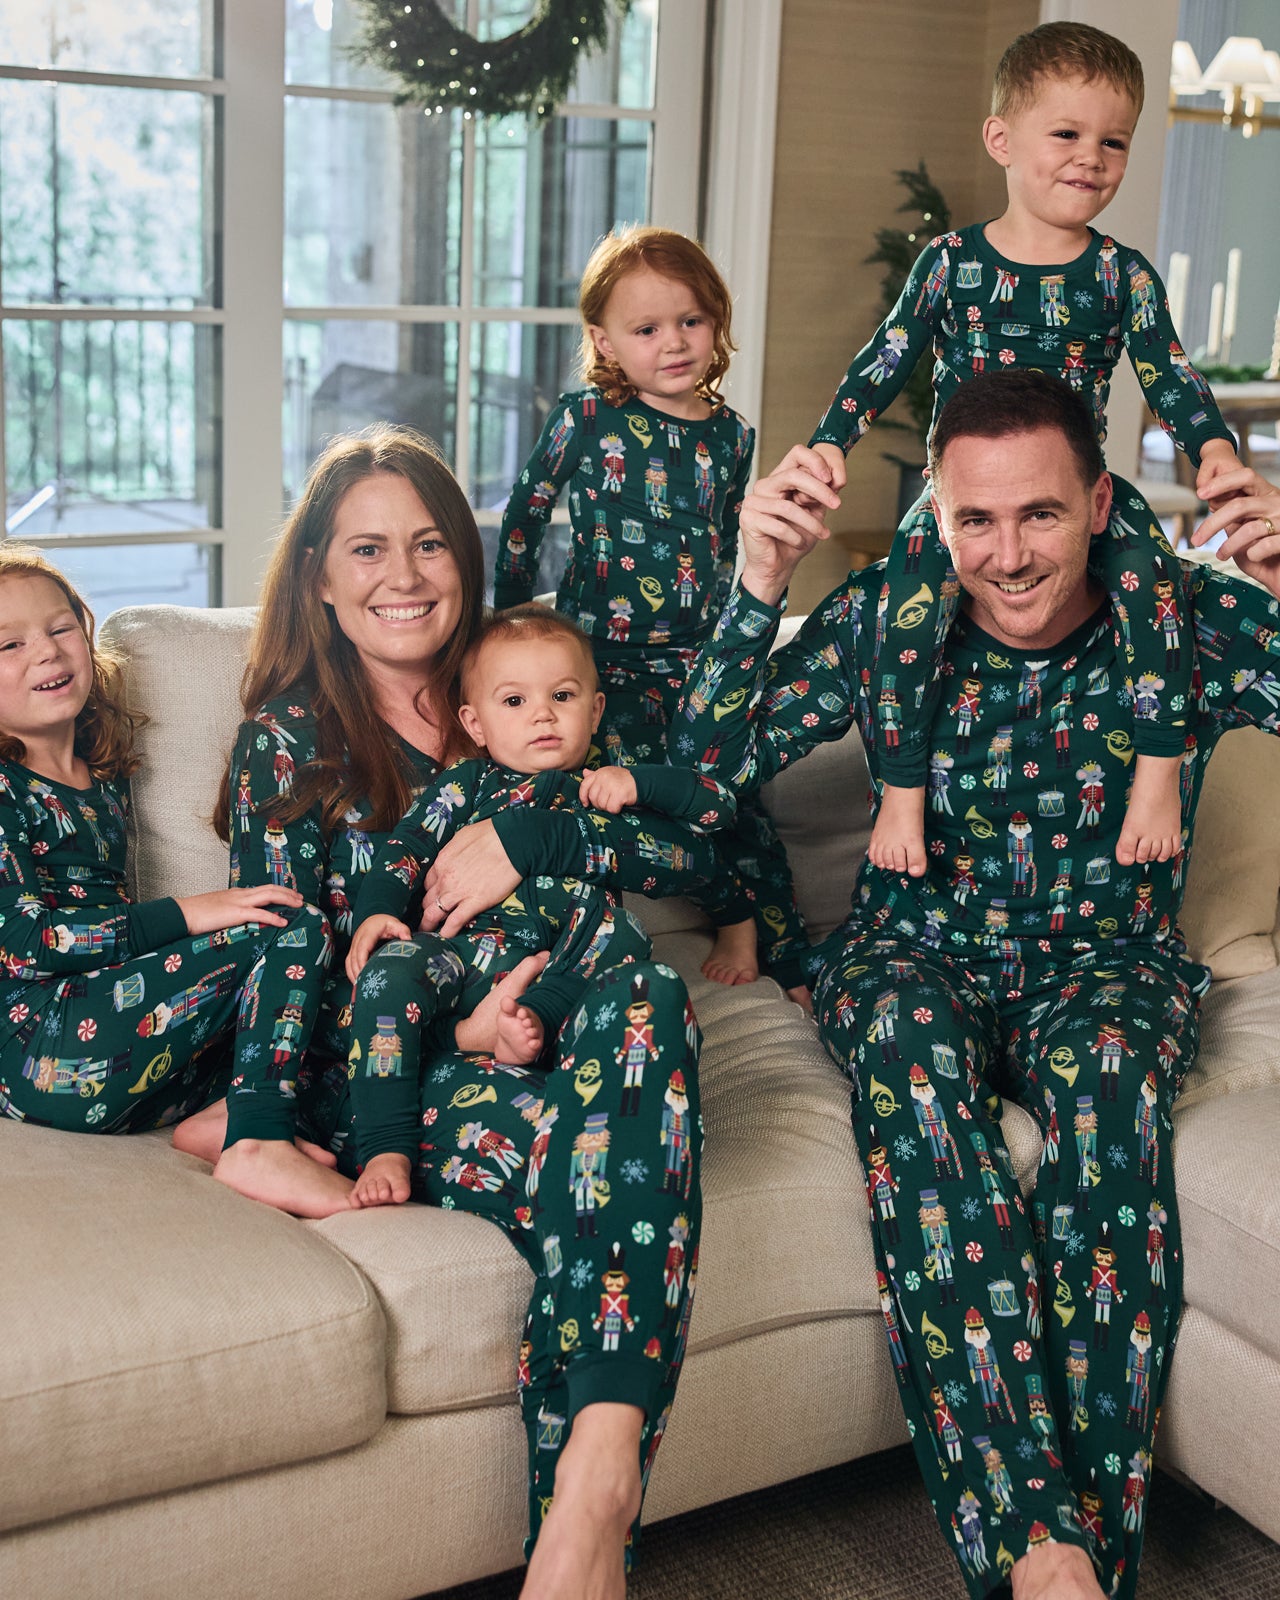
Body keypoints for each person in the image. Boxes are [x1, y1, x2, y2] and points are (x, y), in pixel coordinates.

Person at [680, 370, 1280, 1600]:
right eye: (973, 520)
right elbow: (699, 771)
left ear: (1100, 501)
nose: (1004, 556)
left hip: (1105, 965)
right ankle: (1037, 1545)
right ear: (935, 518)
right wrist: (753, 588)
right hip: (913, 955)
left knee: (1109, 1097)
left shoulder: (1186, 617)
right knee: (907, 1057)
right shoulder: (890, 614)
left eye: (1040, 516)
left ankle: (1066, 1572)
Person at [173, 424, 707, 1600]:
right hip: (413, 1067)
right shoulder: (289, 743)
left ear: (465, 558)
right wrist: (460, 1032)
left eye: (427, 544)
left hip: (582, 1022)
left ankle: (587, 1497)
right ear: (318, 573)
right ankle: (593, 1513)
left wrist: (544, 832)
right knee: (602, 1154)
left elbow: (698, 844)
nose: (403, 575)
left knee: (652, 997)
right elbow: (283, 974)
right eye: (366, 548)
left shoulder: (528, 692)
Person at [803, 21, 1243, 882]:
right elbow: (885, 358)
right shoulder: (949, 264)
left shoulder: (1125, 276)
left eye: (1114, 141)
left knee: (1159, 587)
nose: (1093, 158)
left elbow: (1173, 376)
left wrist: (1215, 453)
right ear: (1002, 139)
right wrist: (830, 441)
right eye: (1068, 134)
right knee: (904, 612)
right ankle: (899, 786)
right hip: (963, 499)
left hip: (1079, 496)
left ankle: (1158, 769)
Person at [494, 224, 813, 1000]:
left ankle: (770, 940)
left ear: (717, 323)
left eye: (691, 321)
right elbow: (525, 514)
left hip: (699, 658)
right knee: (591, 791)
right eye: (647, 329)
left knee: (725, 793)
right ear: (605, 341)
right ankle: (581, 945)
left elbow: (741, 545)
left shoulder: (733, 437)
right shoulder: (586, 418)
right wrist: (507, 628)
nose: (673, 342)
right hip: (597, 653)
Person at [344, 603, 735, 1208]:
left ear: (596, 708)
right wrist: (377, 911)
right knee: (387, 974)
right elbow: (406, 847)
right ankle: (384, 1143)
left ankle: (533, 1025)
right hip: (461, 958)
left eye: (562, 694)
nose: (543, 715)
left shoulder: (604, 790)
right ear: (474, 723)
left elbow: (716, 810)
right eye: (514, 702)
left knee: (624, 934)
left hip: (564, 970)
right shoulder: (466, 786)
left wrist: (642, 783)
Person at [0, 546, 330, 1135]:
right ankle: (257, 1136)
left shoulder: (101, 775)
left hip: (121, 1053)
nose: (47, 650)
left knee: (293, 1025)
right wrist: (192, 912)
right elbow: (26, 943)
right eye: (10, 645)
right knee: (291, 927)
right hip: (40, 1047)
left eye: (60, 627)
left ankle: (227, 1118)